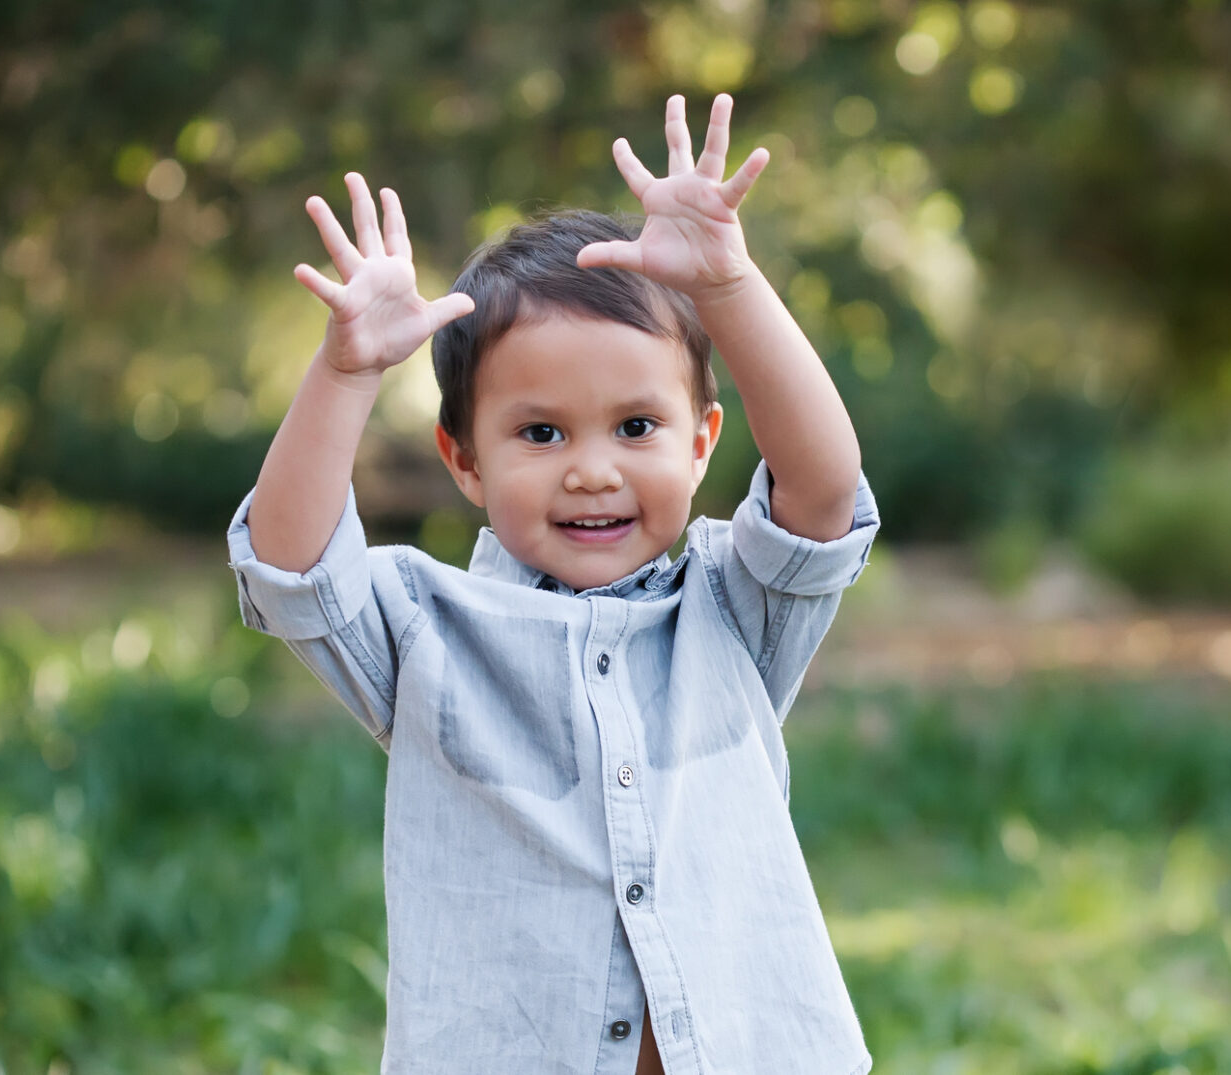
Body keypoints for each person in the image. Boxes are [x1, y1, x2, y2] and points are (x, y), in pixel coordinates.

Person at [225, 93, 878, 1075]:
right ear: (464, 459)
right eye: (540, 433)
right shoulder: (424, 627)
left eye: (635, 426)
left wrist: (730, 285)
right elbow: (289, 566)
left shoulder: (729, 606)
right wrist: (345, 372)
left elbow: (823, 490)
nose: (591, 469)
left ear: (702, 443)